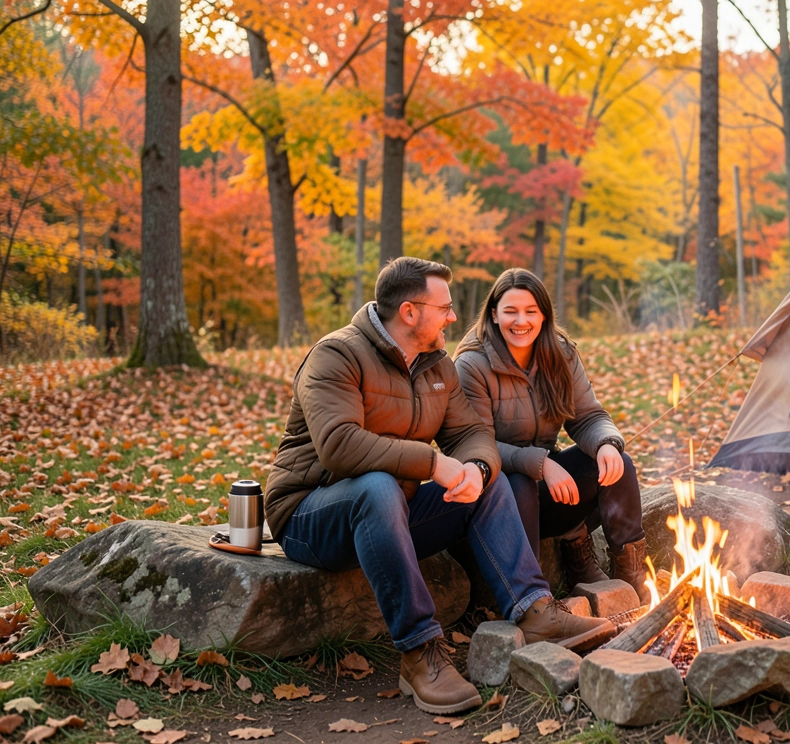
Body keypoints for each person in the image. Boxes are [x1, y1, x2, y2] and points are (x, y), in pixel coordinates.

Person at [265, 257, 615, 716]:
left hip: (396, 509)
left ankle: (534, 611)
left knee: (489, 483)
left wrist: (476, 469)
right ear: (410, 312)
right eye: (444, 307)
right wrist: (434, 462)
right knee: (377, 486)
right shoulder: (336, 355)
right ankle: (420, 652)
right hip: (311, 514)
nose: (454, 316)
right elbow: (339, 446)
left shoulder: (436, 366)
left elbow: (472, 435)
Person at [454, 268, 648, 604]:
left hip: (547, 488)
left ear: (544, 315)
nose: (521, 321)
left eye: (531, 311)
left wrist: (606, 443)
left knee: (619, 465)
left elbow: (588, 416)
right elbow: (473, 443)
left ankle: (629, 580)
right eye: (510, 311)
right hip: (498, 496)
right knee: (519, 482)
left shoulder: (561, 353)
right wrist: (541, 464)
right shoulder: (472, 364)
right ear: (494, 315)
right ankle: (535, 601)